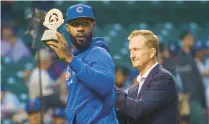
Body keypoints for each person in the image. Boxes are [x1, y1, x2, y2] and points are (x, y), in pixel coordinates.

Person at [46, 4, 118, 123]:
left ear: (93, 26)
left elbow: (106, 85)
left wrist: (70, 59)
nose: (80, 28)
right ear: (68, 28)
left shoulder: (99, 53)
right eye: (75, 24)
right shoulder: (76, 57)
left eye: (85, 23)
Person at [115, 30, 178, 124]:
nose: (131, 56)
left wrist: (109, 88)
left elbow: (139, 110)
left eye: (136, 49)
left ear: (152, 53)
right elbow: (125, 119)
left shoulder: (163, 79)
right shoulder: (133, 90)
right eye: (130, 50)